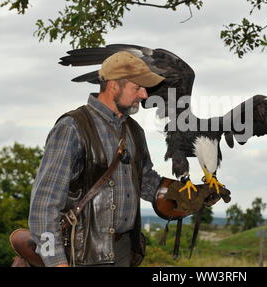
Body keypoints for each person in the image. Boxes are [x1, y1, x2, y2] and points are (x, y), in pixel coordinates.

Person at [29, 51, 167, 267]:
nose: (145, 96)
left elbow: (146, 182)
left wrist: (182, 196)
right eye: (137, 87)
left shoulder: (134, 131)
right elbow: (43, 205)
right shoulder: (72, 127)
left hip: (123, 252)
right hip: (80, 255)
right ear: (113, 85)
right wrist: (55, 261)